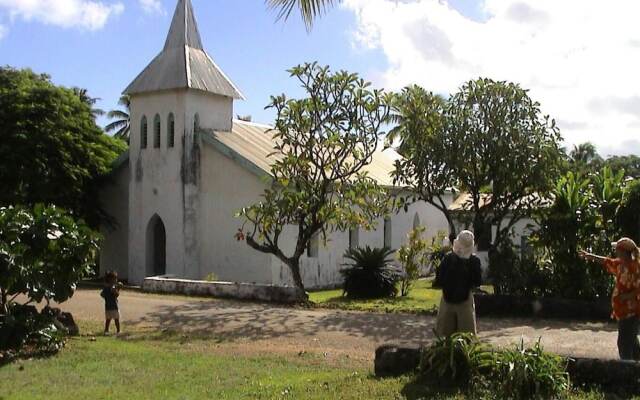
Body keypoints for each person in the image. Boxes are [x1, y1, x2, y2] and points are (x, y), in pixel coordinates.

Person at [580, 238, 640, 360]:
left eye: (617, 250)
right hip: (622, 311)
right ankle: (635, 366)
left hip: (631, 312)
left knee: (624, 343)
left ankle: (627, 369)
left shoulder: (635, 267)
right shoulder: (620, 265)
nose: (615, 252)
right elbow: (606, 261)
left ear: (623, 251)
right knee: (631, 340)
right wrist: (589, 256)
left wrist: (627, 296)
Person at [434, 230, 482, 337]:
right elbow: (477, 282)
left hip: (456, 299)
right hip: (453, 299)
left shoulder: (450, 259)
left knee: (460, 336)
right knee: (450, 335)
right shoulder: (449, 259)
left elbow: (439, 279)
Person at [100, 271, 121, 335]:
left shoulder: (106, 287)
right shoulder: (113, 287)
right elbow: (117, 295)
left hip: (108, 306)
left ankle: (106, 330)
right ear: (111, 279)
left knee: (108, 319)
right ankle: (118, 331)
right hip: (114, 306)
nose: (116, 280)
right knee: (116, 319)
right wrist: (118, 289)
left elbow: (102, 294)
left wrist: (107, 297)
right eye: (115, 278)